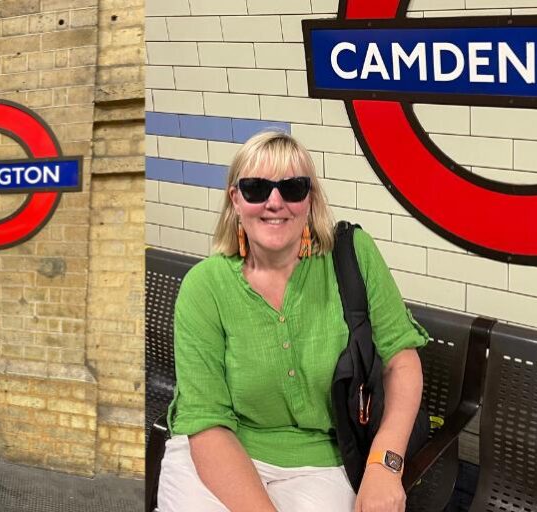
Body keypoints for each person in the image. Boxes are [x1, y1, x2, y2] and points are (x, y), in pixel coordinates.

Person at [156, 131, 427, 512]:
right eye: (255, 188)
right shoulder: (205, 287)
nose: (274, 202)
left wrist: (385, 464)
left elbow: (401, 360)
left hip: (320, 461)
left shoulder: (352, 257)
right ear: (235, 199)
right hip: (221, 450)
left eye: (292, 188)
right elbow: (206, 420)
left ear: (309, 199)